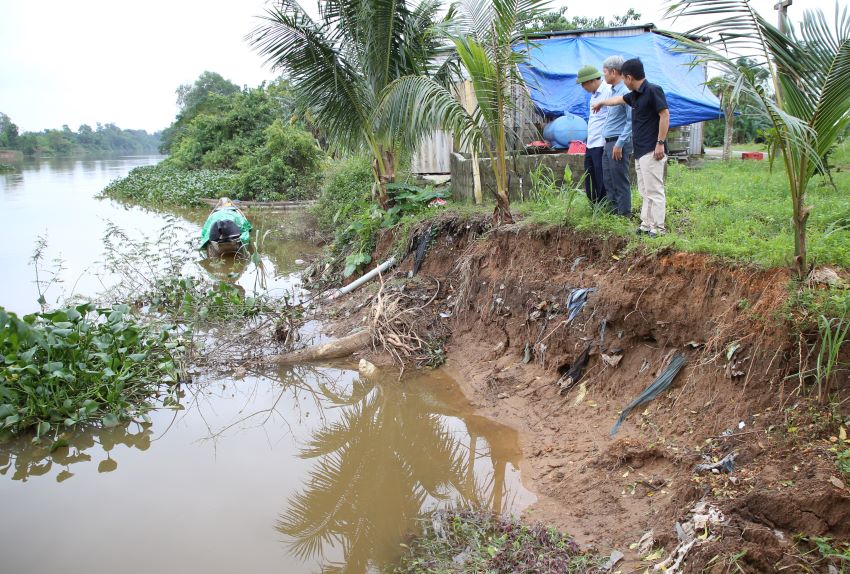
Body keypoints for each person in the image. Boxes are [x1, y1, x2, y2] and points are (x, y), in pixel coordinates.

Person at [592, 58, 669, 237]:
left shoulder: (653, 90)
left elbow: (665, 115)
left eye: (623, 78)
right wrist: (602, 103)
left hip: (652, 148)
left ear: (628, 77)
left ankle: (659, 227)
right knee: (644, 189)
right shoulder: (634, 94)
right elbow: (618, 100)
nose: (623, 82)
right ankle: (646, 224)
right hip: (640, 150)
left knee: (654, 189)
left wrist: (660, 143)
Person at [600, 55, 633, 217]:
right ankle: (613, 215)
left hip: (618, 142)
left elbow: (631, 120)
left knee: (619, 181)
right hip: (608, 142)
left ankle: (624, 215)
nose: (603, 75)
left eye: (605, 72)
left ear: (614, 72)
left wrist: (620, 143)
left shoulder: (626, 92)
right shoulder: (612, 92)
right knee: (609, 180)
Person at [576, 65, 610, 206]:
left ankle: (604, 206)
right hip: (591, 143)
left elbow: (612, 117)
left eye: (584, 84)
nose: (583, 87)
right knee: (590, 176)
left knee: (601, 177)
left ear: (592, 81)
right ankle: (594, 205)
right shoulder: (593, 95)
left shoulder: (607, 91)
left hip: (601, 143)